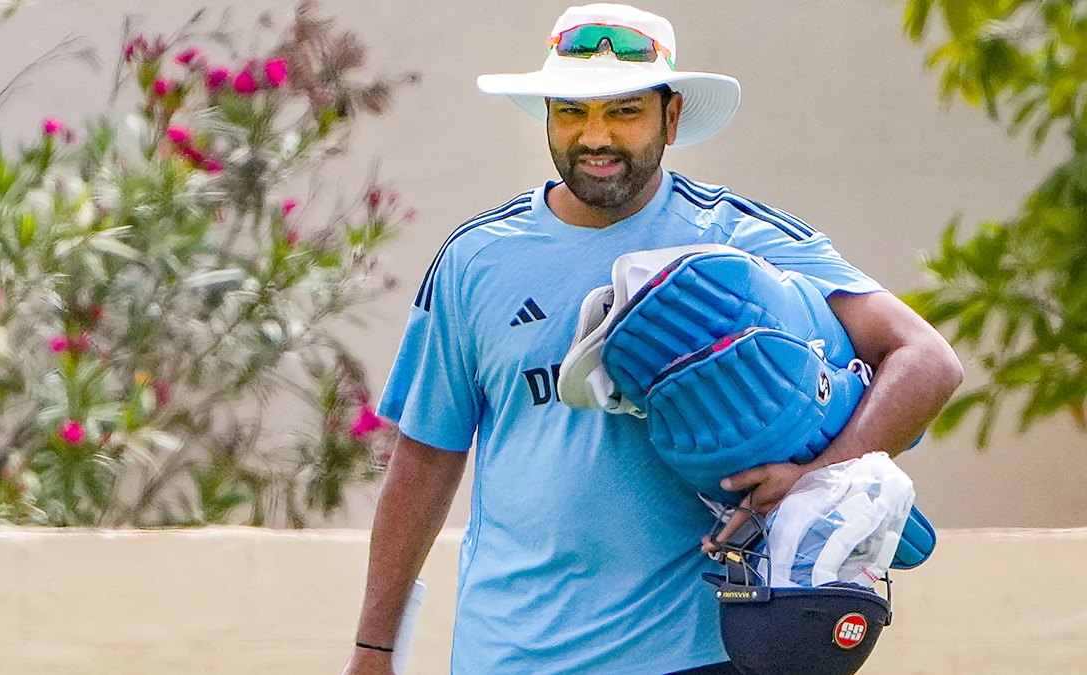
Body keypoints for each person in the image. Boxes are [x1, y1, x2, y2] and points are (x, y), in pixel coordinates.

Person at [343, 4, 963, 674]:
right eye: (572, 112)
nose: (596, 136)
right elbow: (426, 457)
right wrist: (374, 647)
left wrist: (814, 479)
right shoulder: (475, 259)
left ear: (671, 118)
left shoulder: (738, 238)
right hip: (509, 654)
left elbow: (927, 359)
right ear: (546, 116)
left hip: (694, 653)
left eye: (624, 111)